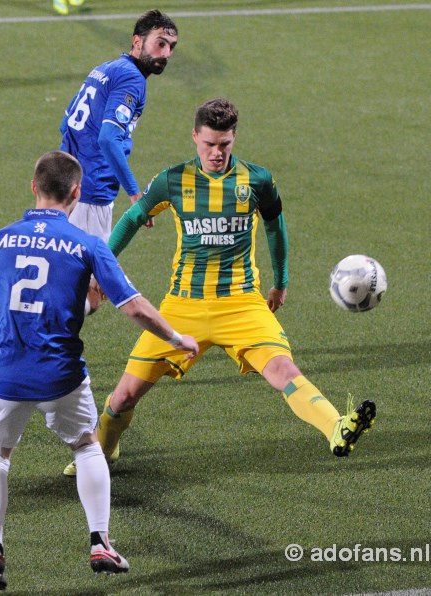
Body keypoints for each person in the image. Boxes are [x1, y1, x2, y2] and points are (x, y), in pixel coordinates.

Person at [63, 98, 376, 477]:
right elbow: (132, 218)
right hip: (182, 309)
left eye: (224, 144)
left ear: (234, 138)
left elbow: (276, 229)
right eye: (209, 144)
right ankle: (105, 450)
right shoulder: (173, 180)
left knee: (283, 369)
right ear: (195, 137)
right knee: (127, 393)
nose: (216, 152)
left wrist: (281, 282)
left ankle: (336, 427)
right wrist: (101, 264)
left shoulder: (257, 180)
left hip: (242, 304)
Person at [0, 150, 197, 590]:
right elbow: (134, 307)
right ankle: (100, 540)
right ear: (76, 192)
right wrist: (177, 338)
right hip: (60, 375)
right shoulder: (86, 245)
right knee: (87, 446)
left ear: (33, 187)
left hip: (5, 373)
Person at [59, 9, 177, 313]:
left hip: (69, 185)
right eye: (160, 43)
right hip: (91, 195)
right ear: (137, 41)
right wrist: (136, 196)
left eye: (171, 47)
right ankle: (29, 340)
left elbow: (67, 122)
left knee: (66, 278)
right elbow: (108, 139)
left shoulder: (106, 68)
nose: (166, 53)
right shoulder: (132, 80)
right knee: (94, 289)